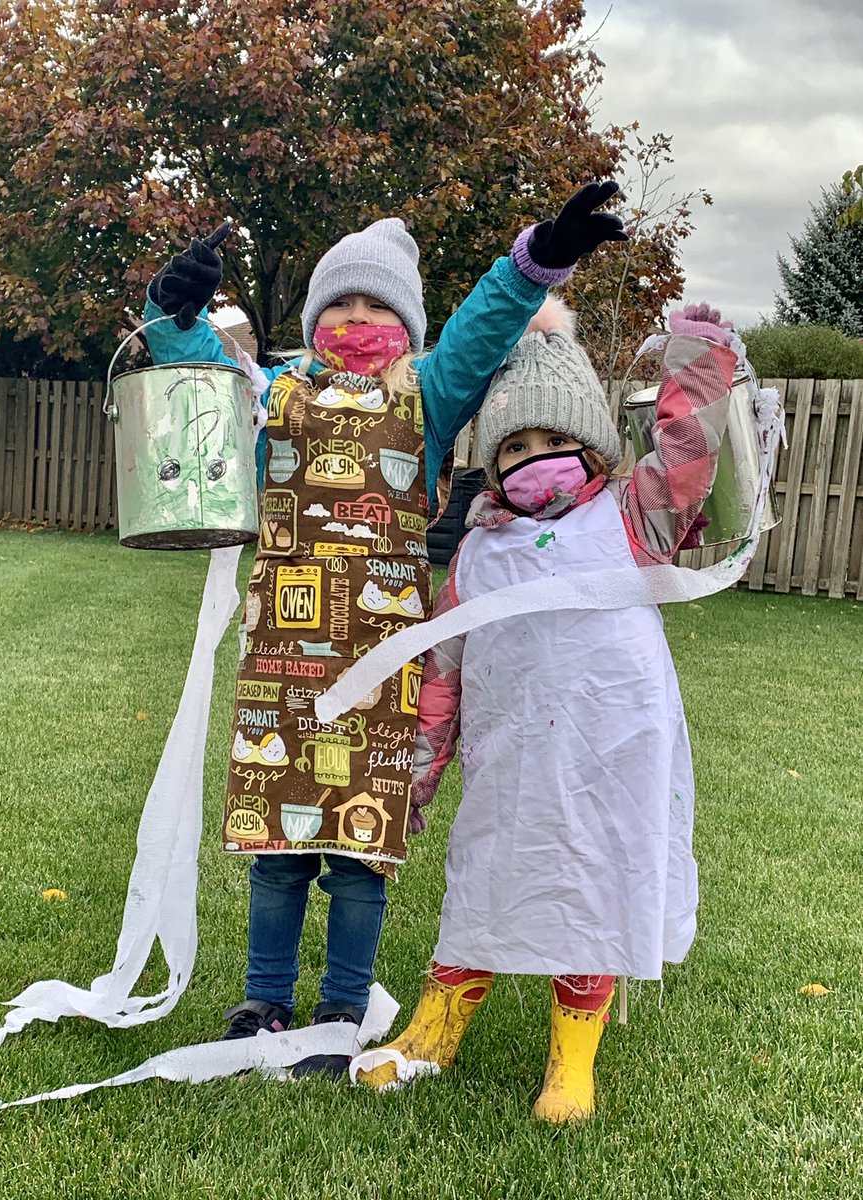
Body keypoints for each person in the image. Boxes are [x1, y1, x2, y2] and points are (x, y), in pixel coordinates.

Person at [139, 184, 627, 1074]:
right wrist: (172, 312)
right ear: (313, 320)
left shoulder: (427, 399)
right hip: (281, 666)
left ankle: (343, 1006)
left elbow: (483, 326)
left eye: (376, 305)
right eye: (341, 303)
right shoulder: (274, 397)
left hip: (382, 664)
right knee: (278, 850)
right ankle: (264, 999)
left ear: (407, 325)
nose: (357, 319)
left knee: (361, 856)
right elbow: (199, 369)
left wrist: (539, 259)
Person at [353, 299, 741, 1118]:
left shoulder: (631, 518)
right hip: (511, 760)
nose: (534, 459)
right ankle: (434, 1033)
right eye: (514, 447)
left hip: (612, 753)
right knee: (484, 880)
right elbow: (443, 674)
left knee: (592, 889)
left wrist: (699, 363)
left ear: (590, 445)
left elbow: (685, 459)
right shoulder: (476, 551)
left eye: (552, 441)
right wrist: (415, 779)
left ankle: (573, 1061)